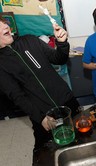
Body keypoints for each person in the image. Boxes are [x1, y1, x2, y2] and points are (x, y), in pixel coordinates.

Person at [0, 16, 80, 150]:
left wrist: (62, 43)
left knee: (82, 137)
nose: (5, 26)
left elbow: (58, 59)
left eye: (4, 23)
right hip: (44, 114)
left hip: (67, 100)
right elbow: (17, 96)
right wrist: (41, 117)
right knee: (51, 153)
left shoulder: (30, 40)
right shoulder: (1, 64)